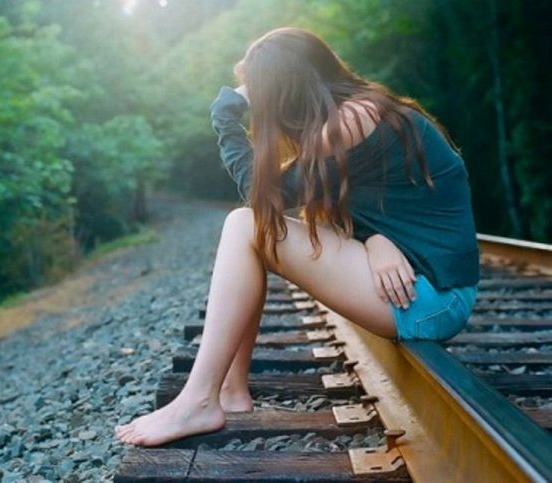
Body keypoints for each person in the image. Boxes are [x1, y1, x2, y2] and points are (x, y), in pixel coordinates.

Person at [114, 26, 479, 447]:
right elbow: (392, 205)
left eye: (260, 93)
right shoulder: (363, 110)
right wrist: (375, 239)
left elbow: (260, 196)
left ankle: (199, 399)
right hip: (434, 290)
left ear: (284, 92)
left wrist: (225, 117)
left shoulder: (346, 122)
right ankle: (228, 392)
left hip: (433, 300)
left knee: (244, 225)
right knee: (246, 226)